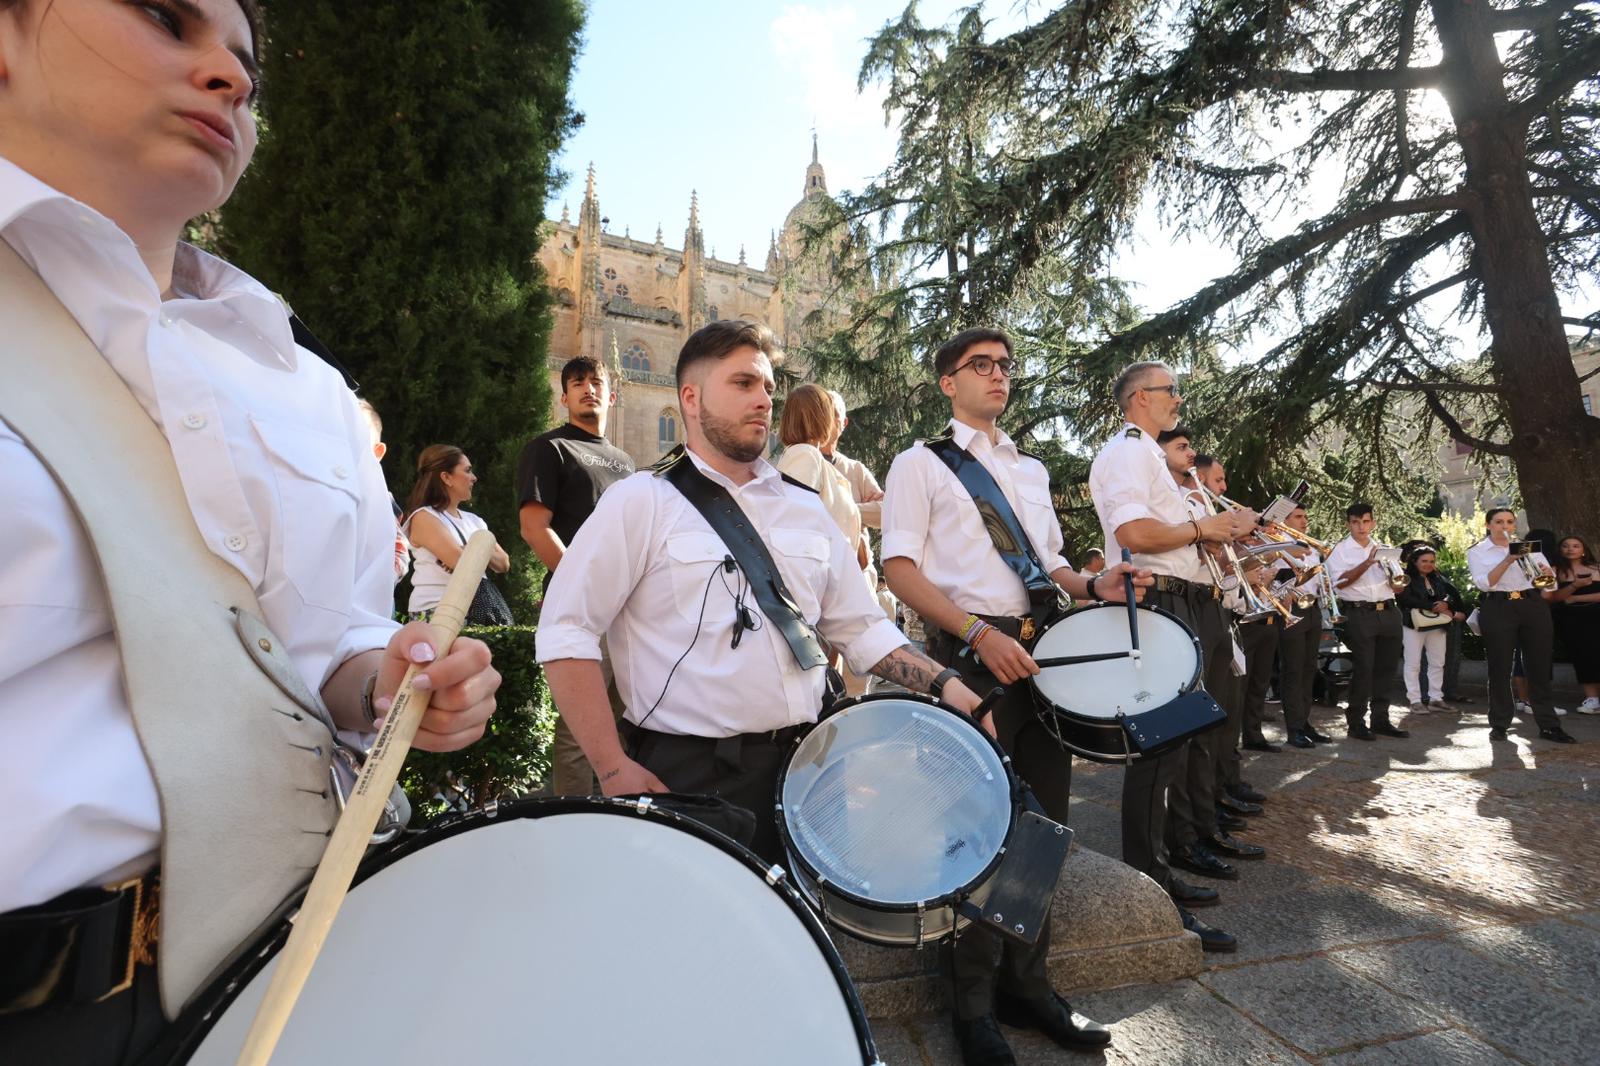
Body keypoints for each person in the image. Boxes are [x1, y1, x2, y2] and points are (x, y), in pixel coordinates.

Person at [0, 2, 500, 1060]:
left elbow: (312, 659)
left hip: (305, 968)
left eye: (245, 61)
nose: (226, 74)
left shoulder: (303, 379)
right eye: (165, 18)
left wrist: (389, 678)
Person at [880, 327, 1128, 1063]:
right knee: (976, 832)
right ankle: (971, 1007)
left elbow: (1050, 566)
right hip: (971, 657)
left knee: (1042, 828)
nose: (998, 376)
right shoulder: (919, 464)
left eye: (1005, 366)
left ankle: (1029, 985)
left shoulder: (1031, 468)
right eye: (980, 366)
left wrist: (1096, 584)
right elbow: (899, 569)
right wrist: (973, 633)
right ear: (947, 383)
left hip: (1043, 655)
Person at [1089, 365, 1256, 954]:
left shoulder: (1145, 457)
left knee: (1171, 747)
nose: (1179, 399)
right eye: (1170, 391)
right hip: (1162, 602)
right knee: (1158, 749)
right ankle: (1148, 880)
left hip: (1179, 600)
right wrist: (1203, 525)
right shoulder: (1129, 453)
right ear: (1139, 399)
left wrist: (1207, 533)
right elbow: (1134, 532)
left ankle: (1156, 870)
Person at [516, 355, 635, 793]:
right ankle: (576, 826)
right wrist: (585, 588)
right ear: (564, 396)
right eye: (578, 382)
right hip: (581, 610)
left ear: (611, 393)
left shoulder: (626, 463)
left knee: (628, 721)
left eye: (597, 381)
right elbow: (534, 528)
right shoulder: (550, 449)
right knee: (578, 732)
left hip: (628, 613)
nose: (589, 388)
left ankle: (623, 818)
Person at [1469, 509, 1572, 742]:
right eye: (1498, 522)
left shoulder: (1529, 547)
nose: (1504, 526)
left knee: (1539, 665)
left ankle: (1549, 726)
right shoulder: (1478, 551)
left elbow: (1550, 587)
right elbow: (1485, 583)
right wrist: (1508, 559)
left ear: (1514, 525)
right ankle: (1499, 724)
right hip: (1498, 606)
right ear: (1488, 525)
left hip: (1532, 604)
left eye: (1509, 522)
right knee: (1499, 667)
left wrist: (1547, 573)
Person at [1328, 503, 1410, 741]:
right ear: (1348, 524)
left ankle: (1381, 720)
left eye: (1365, 521)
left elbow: (1399, 587)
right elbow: (1339, 584)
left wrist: (1395, 579)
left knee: (1386, 668)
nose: (1361, 526)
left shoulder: (1384, 548)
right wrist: (1367, 563)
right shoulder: (1340, 551)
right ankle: (1356, 722)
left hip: (1389, 610)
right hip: (1359, 612)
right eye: (1355, 522)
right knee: (1364, 668)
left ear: (1373, 523)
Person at [403, 445, 512, 618]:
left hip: (475, 609)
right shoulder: (424, 517)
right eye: (467, 471)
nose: (474, 478)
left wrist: (469, 548)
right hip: (437, 612)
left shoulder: (475, 521)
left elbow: (503, 563)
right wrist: (478, 549)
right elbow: (461, 562)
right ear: (446, 477)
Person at [1276, 505, 1332, 748]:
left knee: (1309, 669)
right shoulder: (1278, 543)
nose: (1304, 521)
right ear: (1285, 520)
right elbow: (1276, 576)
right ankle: (1294, 727)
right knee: (1293, 670)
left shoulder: (1309, 546)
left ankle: (1304, 721)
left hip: (1312, 608)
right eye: (1298, 517)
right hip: (1292, 609)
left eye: (1305, 517)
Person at [1396, 546, 1465, 712]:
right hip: (1413, 624)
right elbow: (1404, 599)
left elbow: (1449, 594)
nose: (1428, 564)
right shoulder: (1405, 577)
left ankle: (1436, 698)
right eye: (1424, 561)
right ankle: (1414, 700)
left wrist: (1446, 604)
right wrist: (1432, 606)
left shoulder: (1437, 577)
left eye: (1432, 561)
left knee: (1438, 662)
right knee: (1413, 662)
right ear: (1414, 561)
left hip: (1437, 624)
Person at [356, 397, 411, 584]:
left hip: (363, 594)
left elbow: (399, 551)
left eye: (358, 437)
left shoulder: (380, 499)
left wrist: (377, 583)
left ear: (377, 452)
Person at [1547, 535, 1600, 713]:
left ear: (1584, 549)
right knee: (1582, 656)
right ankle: (1592, 700)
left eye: (1576, 545)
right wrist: (1574, 585)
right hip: (1572, 621)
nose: (1570, 549)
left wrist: (1576, 597)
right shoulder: (1555, 571)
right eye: (1566, 546)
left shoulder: (1596, 568)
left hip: (1596, 616)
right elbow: (1552, 597)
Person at [824, 388, 885, 529]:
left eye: (834, 414)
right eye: (823, 414)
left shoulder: (856, 470)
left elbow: (885, 512)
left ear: (844, 423)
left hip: (855, 551)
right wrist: (864, 511)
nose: (828, 420)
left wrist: (848, 510)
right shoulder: (805, 463)